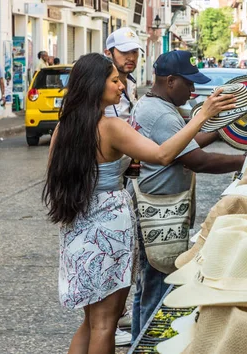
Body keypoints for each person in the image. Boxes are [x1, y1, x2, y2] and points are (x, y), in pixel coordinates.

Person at [43, 52, 235, 354]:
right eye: (115, 80)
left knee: (90, 322)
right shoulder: (111, 126)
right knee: (106, 323)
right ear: (95, 84)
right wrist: (201, 117)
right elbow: (163, 155)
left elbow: (71, 173)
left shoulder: (63, 129)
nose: (122, 86)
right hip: (110, 227)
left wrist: (118, 169)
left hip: (77, 226)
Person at [129, 50, 246, 342]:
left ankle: (137, 342)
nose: (193, 91)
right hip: (159, 212)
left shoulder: (157, 106)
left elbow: (187, 142)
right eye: (188, 84)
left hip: (160, 208)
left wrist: (221, 128)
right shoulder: (159, 113)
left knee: (148, 285)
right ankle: (148, 344)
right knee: (158, 287)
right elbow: (196, 160)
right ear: (170, 81)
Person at [103, 26, 144, 344]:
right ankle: (108, 324)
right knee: (109, 260)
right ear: (109, 54)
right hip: (105, 190)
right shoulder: (102, 92)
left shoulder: (126, 86)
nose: (131, 58)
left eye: (134, 52)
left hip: (123, 180)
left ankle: (115, 315)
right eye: (124, 52)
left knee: (124, 259)